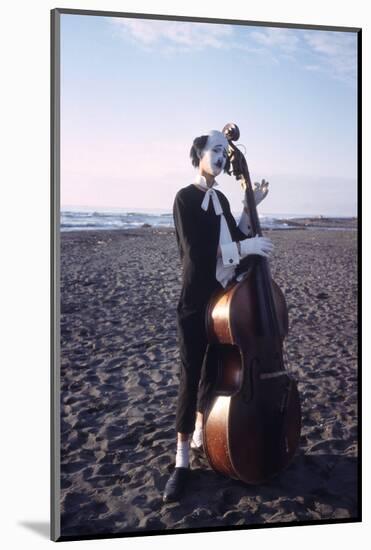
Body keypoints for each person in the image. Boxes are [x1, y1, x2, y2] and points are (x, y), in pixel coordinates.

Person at [163, 130, 274, 502]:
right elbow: (198, 253)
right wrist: (246, 245)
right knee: (190, 373)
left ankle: (200, 429)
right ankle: (181, 461)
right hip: (196, 303)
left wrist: (248, 207)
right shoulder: (185, 199)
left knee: (214, 371)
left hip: (222, 301)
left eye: (225, 152)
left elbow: (233, 240)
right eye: (215, 150)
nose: (223, 157)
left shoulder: (222, 198)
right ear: (198, 155)